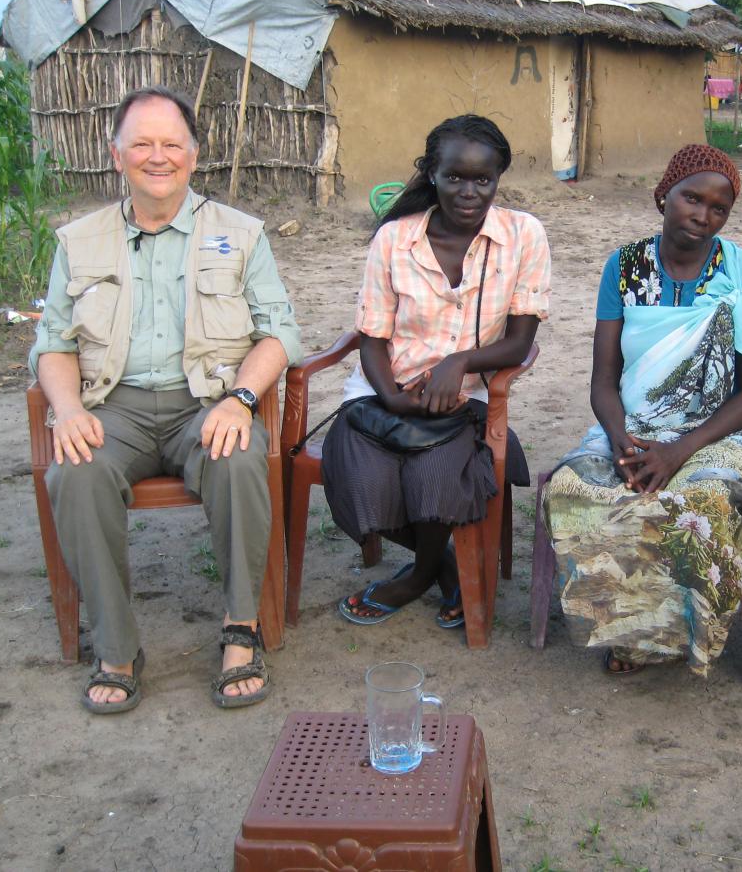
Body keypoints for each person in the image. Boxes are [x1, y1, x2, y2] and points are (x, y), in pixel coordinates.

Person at [31, 86, 303, 713]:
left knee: (238, 459)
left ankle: (241, 630)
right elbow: (54, 342)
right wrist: (69, 411)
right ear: (115, 152)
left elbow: (279, 331)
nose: (159, 156)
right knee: (75, 470)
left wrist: (239, 399)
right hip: (113, 407)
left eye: (172, 143)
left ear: (195, 153)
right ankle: (117, 647)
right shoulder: (79, 240)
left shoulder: (239, 233)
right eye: (143, 143)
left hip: (205, 402)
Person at [541, 144, 742, 676]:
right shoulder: (624, 267)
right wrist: (620, 440)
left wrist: (678, 451)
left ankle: (677, 635)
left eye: (718, 209)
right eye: (691, 198)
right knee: (573, 490)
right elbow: (604, 379)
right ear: (663, 196)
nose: (702, 215)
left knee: (700, 502)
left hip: (721, 433)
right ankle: (629, 627)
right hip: (636, 423)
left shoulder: (741, 275)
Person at [324, 115, 550, 627]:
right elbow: (373, 338)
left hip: (464, 396)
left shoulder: (523, 236)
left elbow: (519, 341)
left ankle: (416, 575)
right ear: (431, 174)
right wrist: (393, 397)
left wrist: (461, 362)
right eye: (454, 178)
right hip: (381, 392)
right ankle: (444, 566)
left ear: (498, 178)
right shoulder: (394, 239)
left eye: (483, 180)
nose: (469, 192)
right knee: (362, 486)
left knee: (436, 479)